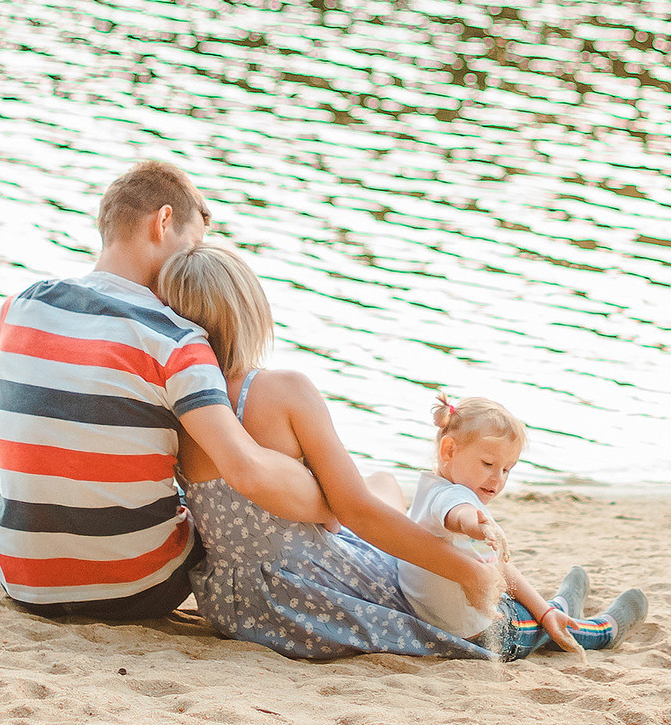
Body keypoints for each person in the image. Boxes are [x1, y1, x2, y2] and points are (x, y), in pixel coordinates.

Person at [0, 161, 493, 624]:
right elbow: (249, 472)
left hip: (25, 585)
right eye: (194, 242)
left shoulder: (28, 304)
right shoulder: (176, 339)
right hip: (138, 587)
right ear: (164, 222)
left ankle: (30, 528)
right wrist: (339, 499)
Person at [156, 243, 634, 661]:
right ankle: (569, 613)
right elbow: (358, 512)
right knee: (473, 610)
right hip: (306, 592)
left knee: (394, 507)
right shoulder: (285, 391)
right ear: (250, 311)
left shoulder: (174, 406)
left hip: (233, 602)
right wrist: (465, 572)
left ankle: (556, 600)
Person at [399, 393, 646, 655]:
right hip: (479, 632)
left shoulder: (429, 486)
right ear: (449, 450)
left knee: (537, 608)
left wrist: (544, 609)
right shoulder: (456, 498)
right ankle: (603, 632)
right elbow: (458, 515)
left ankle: (557, 607)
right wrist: (477, 524)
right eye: (488, 464)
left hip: (444, 617)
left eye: (507, 469)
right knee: (539, 628)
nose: (497, 479)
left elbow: (500, 567)